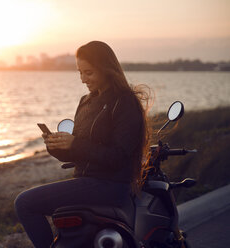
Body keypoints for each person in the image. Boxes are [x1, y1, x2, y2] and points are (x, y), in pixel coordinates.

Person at [14, 41, 150, 248]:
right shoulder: (85, 101)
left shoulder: (125, 102)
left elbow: (119, 156)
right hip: (85, 181)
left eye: (89, 73)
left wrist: (75, 144)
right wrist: (57, 146)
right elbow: (78, 152)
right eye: (80, 73)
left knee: (24, 203)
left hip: (110, 185)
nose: (83, 79)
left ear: (106, 69)